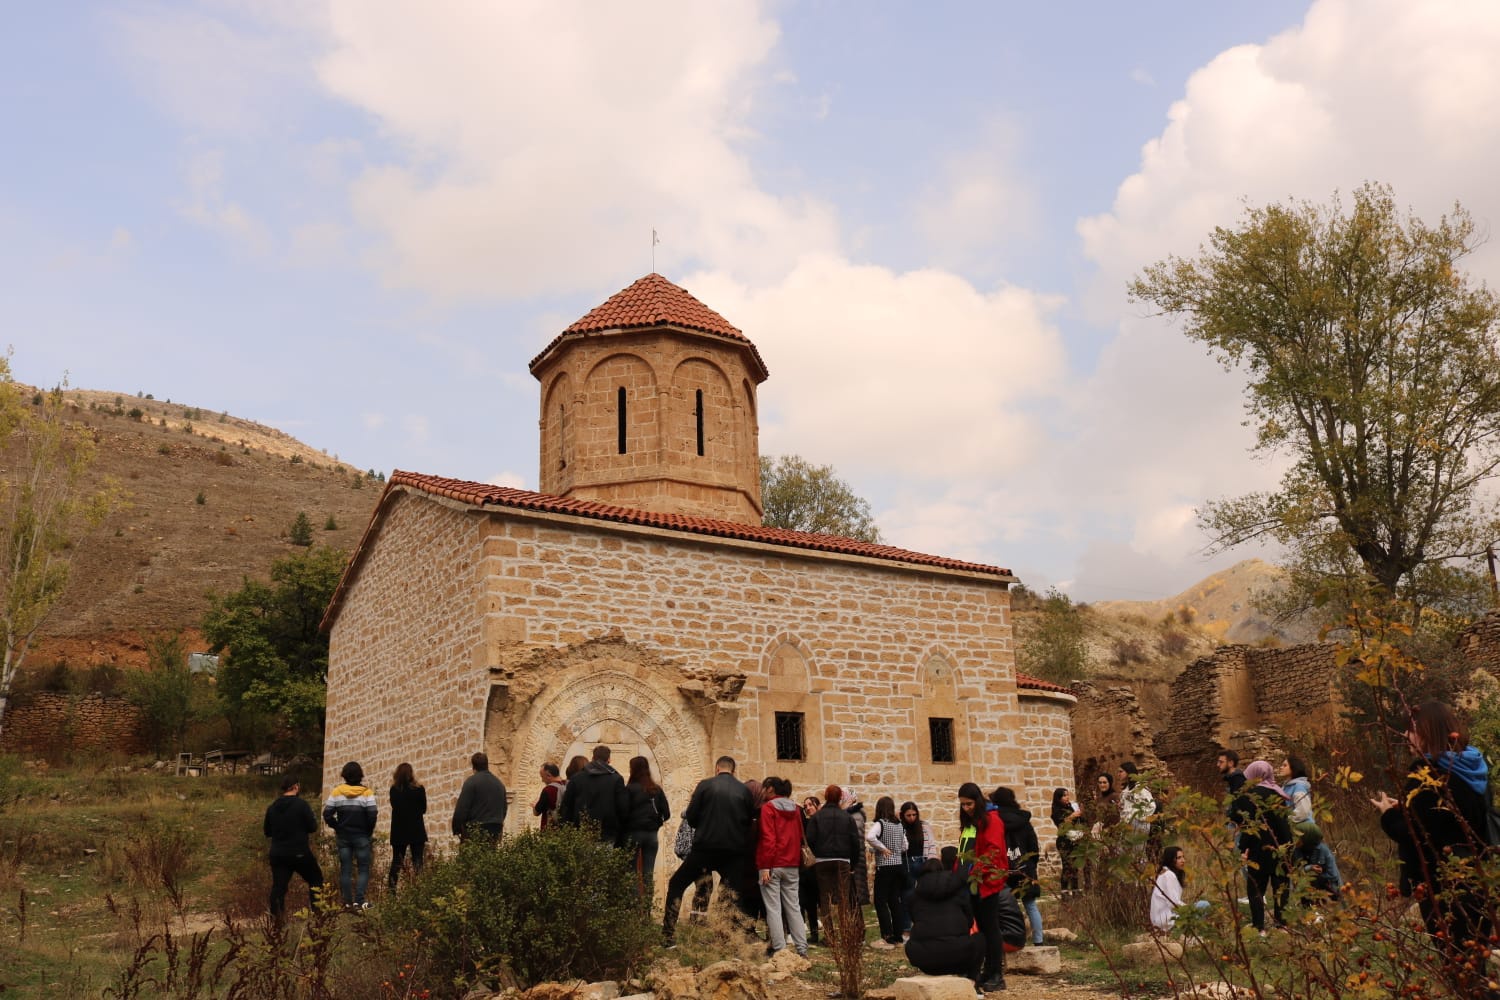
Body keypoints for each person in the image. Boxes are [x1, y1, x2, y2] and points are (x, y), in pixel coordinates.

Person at [1372, 701, 1493, 997]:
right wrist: (1412, 809)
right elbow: (1456, 818)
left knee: (1461, 973)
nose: (1406, 735)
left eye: (1411, 729)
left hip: (1442, 883)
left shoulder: (1426, 769)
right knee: (1475, 964)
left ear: (1426, 731)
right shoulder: (1474, 764)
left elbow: (1418, 835)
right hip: (1478, 876)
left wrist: (1389, 814)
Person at [662, 756, 756, 946]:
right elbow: (748, 822)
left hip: (705, 847)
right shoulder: (744, 790)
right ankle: (728, 938)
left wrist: (705, 825)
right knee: (731, 892)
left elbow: (692, 816)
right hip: (733, 850)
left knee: (677, 884)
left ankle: (668, 936)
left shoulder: (705, 785)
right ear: (733, 770)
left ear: (716, 768)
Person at [904, 858, 985, 995]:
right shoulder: (958, 891)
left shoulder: (914, 896)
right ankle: (972, 979)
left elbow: (915, 919)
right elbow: (969, 921)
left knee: (910, 944)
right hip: (959, 957)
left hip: (926, 960)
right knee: (980, 939)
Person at [1228, 760, 1292, 932]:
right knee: (1281, 887)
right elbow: (1283, 823)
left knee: (1256, 888)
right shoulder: (1277, 794)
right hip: (1279, 847)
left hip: (1258, 848)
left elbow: (1248, 825)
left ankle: (1259, 927)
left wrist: (1243, 848)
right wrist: (1288, 848)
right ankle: (1282, 924)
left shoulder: (1249, 795)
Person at [958, 781, 1008, 992]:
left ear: (977, 801)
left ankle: (996, 973)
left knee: (990, 928)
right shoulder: (972, 822)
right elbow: (965, 851)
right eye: (962, 805)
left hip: (987, 881)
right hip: (973, 882)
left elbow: (993, 852)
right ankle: (987, 970)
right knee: (982, 928)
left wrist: (976, 871)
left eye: (969, 804)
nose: (966, 808)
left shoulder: (992, 821)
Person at [757, 776, 809, 957]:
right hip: (792, 864)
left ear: (770, 789)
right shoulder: (796, 809)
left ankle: (780, 951)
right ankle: (802, 949)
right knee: (793, 907)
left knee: (773, 908)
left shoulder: (768, 809)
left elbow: (768, 839)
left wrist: (764, 866)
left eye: (764, 788)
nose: (762, 792)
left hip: (772, 864)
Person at [805, 783, 863, 943]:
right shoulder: (847, 817)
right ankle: (845, 934)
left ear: (825, 797)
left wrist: (818, 852)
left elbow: (810, 838)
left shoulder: (817, 817)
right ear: (839, 798)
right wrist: (853, 863)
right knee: (843, 899)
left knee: (825, 899)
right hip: (843, 860)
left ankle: (830, 937)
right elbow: (854, 841)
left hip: (823, 860)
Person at [264, 775, 324, 920]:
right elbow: (313, 827)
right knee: (316, 880)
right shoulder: (302, 805)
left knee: (279, 887)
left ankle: (276, 923)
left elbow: (267, 832)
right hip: (299, 852)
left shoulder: (272, 807)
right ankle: (319, 917)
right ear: (296, 786)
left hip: (278, 853)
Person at [991, 787, 1043, 947]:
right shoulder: (1024, 820)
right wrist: (1031, 864)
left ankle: (1008, 941)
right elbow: (1033, 846)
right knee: (1030, 905)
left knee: (1004, 908)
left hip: (1002, 868)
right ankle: (1038, 941)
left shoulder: (995, 820)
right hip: (1024, 867)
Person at [323, 760, 377, 909]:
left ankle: (346, 902)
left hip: (343, 836)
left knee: (345, 869)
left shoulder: (336, 792)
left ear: (344, 775)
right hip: (361, 835)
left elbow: (327, 814)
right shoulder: (367, 793)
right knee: (363, 868)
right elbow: (373, 815)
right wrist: (368, 831)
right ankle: (359, 901)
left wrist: (337, 827)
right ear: (360, 775)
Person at [623, 755, 671, 901]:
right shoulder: (656, 789)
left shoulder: (629, 789)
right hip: (651, 836)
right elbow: (667, 814)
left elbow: (623, 812)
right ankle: (647, 912)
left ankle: (634, 909)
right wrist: (656, 824)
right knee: (648, 874)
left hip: (633, 834)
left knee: (631, 873)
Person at [558, 745, 628, 844]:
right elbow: (622, 808)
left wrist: (566, 830)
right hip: (606, 833)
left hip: (580, 832)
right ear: (609, 759)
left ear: (593, 758)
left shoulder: (577, 778)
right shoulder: (616, 779)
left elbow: (567, 806)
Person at [866, 796, 910, 948]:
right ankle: (898, 936)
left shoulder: (881, 823)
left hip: (885, 866)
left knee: (880, 901)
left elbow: (870, 837)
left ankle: (887, 935)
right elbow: (905, 846)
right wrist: (894, 849)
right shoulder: (899, 825)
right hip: (898, 865)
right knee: (894, 900)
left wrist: (882, 848)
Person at [387, 762, 427, 893]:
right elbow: (423, 809)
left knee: (396, 863)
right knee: (418, 863)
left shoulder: (394, 790)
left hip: (399, 830)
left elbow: (395, 807)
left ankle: (392, 893)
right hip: (416, 829)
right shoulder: (419, 789)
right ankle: (420, 892)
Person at [899, 801, 937, 936]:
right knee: (907, 895)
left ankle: (925, 926)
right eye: (908, 815)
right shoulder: (900, 828)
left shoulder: (924, 826)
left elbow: (931, 845)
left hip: (923, 861)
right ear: (902, 815)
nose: (912, 818)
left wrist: (932, 861)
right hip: (907, 863)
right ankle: (906, 928)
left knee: (925, 895)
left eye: (914, 814)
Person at [451, 751, 508, 842]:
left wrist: (456, 828)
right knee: (491, 855)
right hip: (495, 830)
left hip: (475, 831)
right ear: (487, 765)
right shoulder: (499, 784)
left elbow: (461, 809)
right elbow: (504, 809)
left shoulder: (471, 782)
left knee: (472, 856)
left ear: (473, 767)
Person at [1150, 846, 1209, 932]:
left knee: (1200, 906)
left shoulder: (1166, 874)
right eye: (1179, 858)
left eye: (1183, 857)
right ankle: (1199, 934)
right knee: (1204, 905)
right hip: (1165, 919)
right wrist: (1190, 909)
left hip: (1161, 918)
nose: (1183, 860)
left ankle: (1198, 933)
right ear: (1171, 860)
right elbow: (1173, 904)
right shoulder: (1169, 875)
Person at [1050, 788, 1084, 895]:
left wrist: (1080, 813)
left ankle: (1075, 890)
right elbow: (1060, 824)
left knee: (1075, 866)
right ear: (1058, 798)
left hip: (1074, 839)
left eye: (1068, 795)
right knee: (1067, 866)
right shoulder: (1056, 810)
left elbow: (1080, 821)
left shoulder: (1071, 807)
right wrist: (1071, 816)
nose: (1067, 798)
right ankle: (1064, 891)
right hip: (1064, 841)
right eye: (1064, 796)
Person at [800, 795, 823, 945]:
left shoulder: (822, 821)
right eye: (805, 806)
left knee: (822, 902)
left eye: (810, 805)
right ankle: (814, 934)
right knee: (809, 903)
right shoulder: (806, 822)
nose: (808, 807)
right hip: (808, 867)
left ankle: (828, 934)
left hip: (821, 866)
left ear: (818, 806)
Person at [844, 788, 872, 909]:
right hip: (853, 854)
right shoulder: (851, 813)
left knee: (855, 893)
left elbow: (855, 837)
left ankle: (857, 924)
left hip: (855, 855)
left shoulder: (855, 815)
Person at [1118, 762, 1155, 836]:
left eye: (1121, 771)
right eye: (1118, 772)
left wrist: (1137, 817)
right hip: (1126, 825)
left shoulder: (1140, 789)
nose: (1118, 774)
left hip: (1139, 825)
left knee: (1137, 847)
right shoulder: (1125, 791)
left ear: (1128, 772)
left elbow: (1151, 805)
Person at [533, 762, 566, 829]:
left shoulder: (548, 790)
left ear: (548, 775)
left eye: (542, 776)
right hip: (565, 830)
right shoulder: (567, 785)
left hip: (550, 831)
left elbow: (536, 812)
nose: (542, 780)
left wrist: (534, 805)